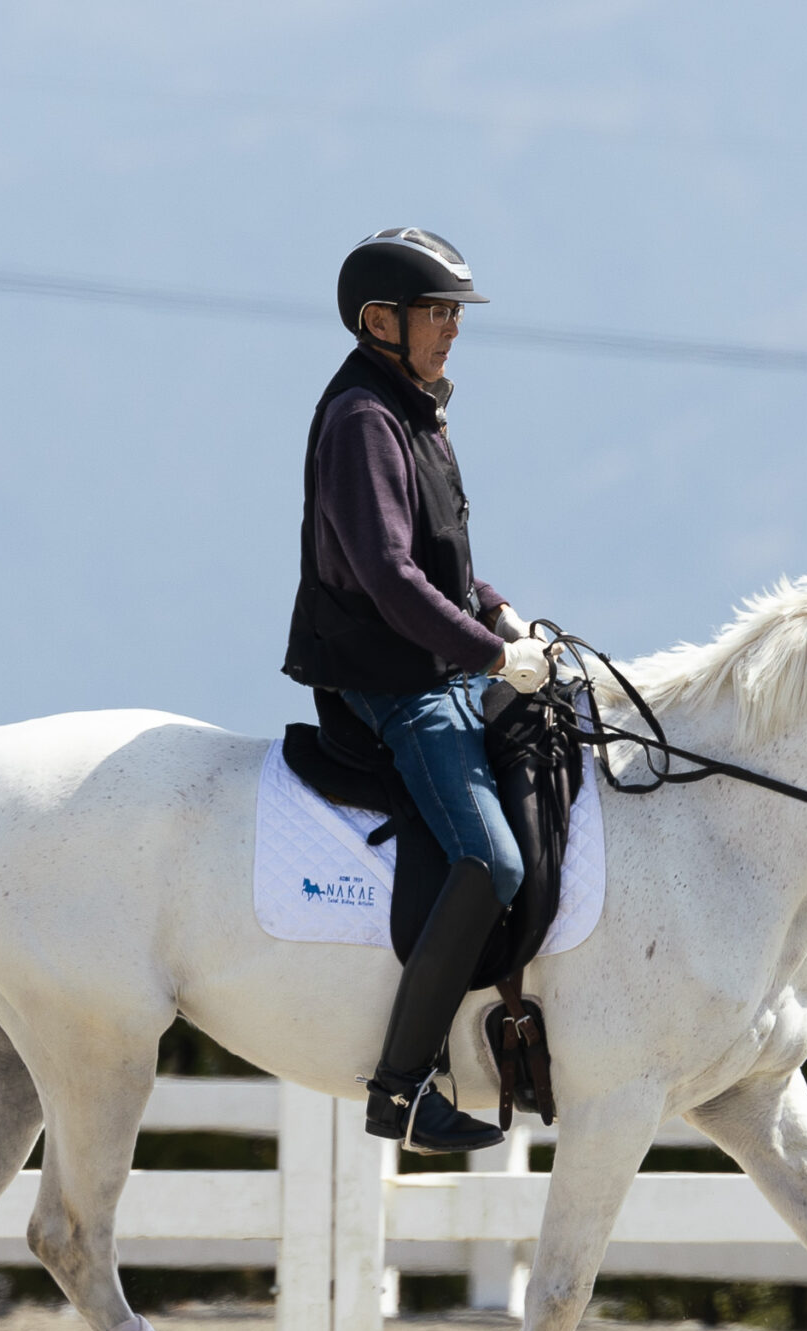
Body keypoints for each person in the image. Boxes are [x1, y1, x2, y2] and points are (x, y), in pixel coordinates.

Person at [283, 227, 551, 1155]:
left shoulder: (414, 409)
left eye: (453, 315)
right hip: (386, 682)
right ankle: (401, 1089)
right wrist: (486, 655)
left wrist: (502, 612)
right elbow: (392, 580)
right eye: (436, 313)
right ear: (380, 321)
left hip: (429, 658)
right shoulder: (365, 419)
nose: (450, 330)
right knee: (495, 861)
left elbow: (444, 566)